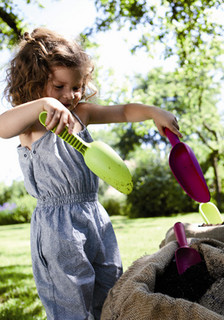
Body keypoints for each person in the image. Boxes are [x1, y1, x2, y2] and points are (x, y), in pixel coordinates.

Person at [0, 27, 181, 320]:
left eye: (76, 86)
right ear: (34, 82)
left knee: (110, 289)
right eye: (59, 87)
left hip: (94, 215)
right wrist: (45, 104)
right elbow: (2, 125)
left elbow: (122, 111)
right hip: (57, 227)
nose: (69, 96)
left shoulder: (80, 114)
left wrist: (153, 111)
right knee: (69, 298)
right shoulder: (33, 122)